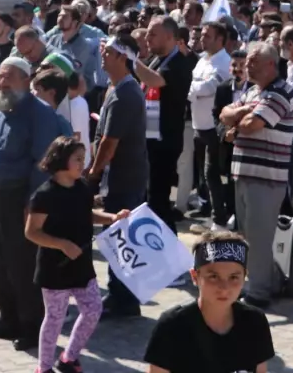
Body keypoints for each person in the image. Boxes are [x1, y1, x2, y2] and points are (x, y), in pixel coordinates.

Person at [0, 57, 68, 351]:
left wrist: (32, 201)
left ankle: (31, 326)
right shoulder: (0, 109)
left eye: (9, 77)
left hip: (19, 198)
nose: (1, 82)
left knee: (22, 265)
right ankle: (8, 319)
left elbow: (41, 162)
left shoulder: (40, 114)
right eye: (0, 77)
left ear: (26, 80)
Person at [26, 136, 129, 373]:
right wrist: (61, 244)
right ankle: (43, 368)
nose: (83, 163)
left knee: (93, 309)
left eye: (84, 158)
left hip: (82, 264)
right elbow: (32, 232)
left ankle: (69, 357)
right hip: (54, 268)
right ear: (61, 160)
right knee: (54, 319)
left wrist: (113, 217)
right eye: (78, 159)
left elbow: (88, 214)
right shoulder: (44, 195)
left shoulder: (82, 187)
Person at [219, 41, 293, 309]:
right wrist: (243, 111)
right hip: (243, 172)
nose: (247, 66)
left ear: (271, 65)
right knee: (246, 234)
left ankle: (260, 293)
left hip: (266, 177)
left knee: (259, 238)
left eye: (253, 61)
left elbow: (252, 126)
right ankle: (270, 281)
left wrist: (238, 122)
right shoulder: (252, 91)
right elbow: (224, 114)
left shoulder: (281, 92)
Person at [143, 231, 275, 373]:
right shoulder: (173, 325)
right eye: (213, 276)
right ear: (195, 277)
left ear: (244, 277)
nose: (224, 288)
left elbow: (261, 370)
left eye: (233, 277)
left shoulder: (254, 321)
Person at [87, 36, 149, 318]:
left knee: (119, 236)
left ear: (123, 58)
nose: (104, 56)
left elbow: (109, 143)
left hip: (125, 178)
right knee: (117, 236)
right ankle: (120, 295)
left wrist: (93, 173)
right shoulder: (118, 88)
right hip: (122, 177)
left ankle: (124, 300)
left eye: (109, 52)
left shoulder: (125, 93)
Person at [136, 16, 195, 228]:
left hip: (165, 143)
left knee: (158, 202)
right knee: (151, 200)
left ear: (170, 37)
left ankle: (171, 254)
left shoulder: (179, 62)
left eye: (153, 34)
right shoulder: (156, 59)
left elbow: (156, 81)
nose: (146, 37)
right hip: (150, 139)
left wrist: (129, 60)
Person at [189, 22, 232, 222]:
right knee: (202, 172)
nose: (202, 39)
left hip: (213, 127)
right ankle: (205, 206)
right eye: (202, 35)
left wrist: (194, 90)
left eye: (207, 36)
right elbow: (195, 86)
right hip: (198, 124)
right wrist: (196, 89)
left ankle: (219, 215)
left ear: (220, 39)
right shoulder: (201, 60)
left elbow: (210, 88)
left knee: (212, 173)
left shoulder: (224, 62)